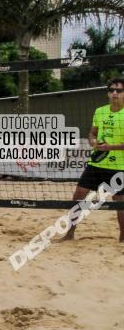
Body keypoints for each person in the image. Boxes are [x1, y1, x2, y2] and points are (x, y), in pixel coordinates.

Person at [62, 77, 124, 242]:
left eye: (119, 90)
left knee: (120, 203)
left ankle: (123, 238)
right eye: (111, 90)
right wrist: (93, 142)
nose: (115, 93)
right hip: (96, 162)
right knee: (78, 196)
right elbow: (92, 133)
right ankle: (69, 234)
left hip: (119, 166)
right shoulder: (100, 111)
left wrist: (111, 147)